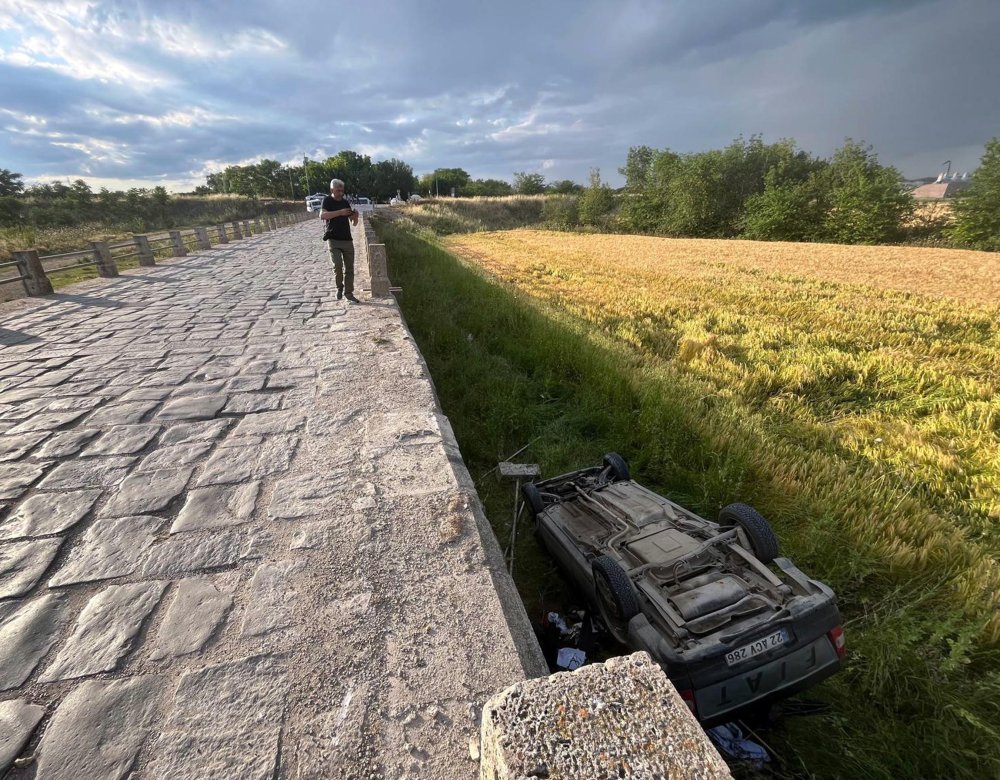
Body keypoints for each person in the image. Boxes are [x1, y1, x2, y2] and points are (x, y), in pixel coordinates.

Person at [321, 178, 360, 302]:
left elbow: (353, 223)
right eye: (338, 190)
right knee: (338, 266)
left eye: (342, 190)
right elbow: (322, 215)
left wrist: (355, 216)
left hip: (347, 240)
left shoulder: (345, 203)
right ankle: (339, 287)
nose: (341, 193)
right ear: (332, 190)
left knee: (350, 268)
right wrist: (340, 212)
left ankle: (349, 293)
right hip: (333, 239)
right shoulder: (327, 201)